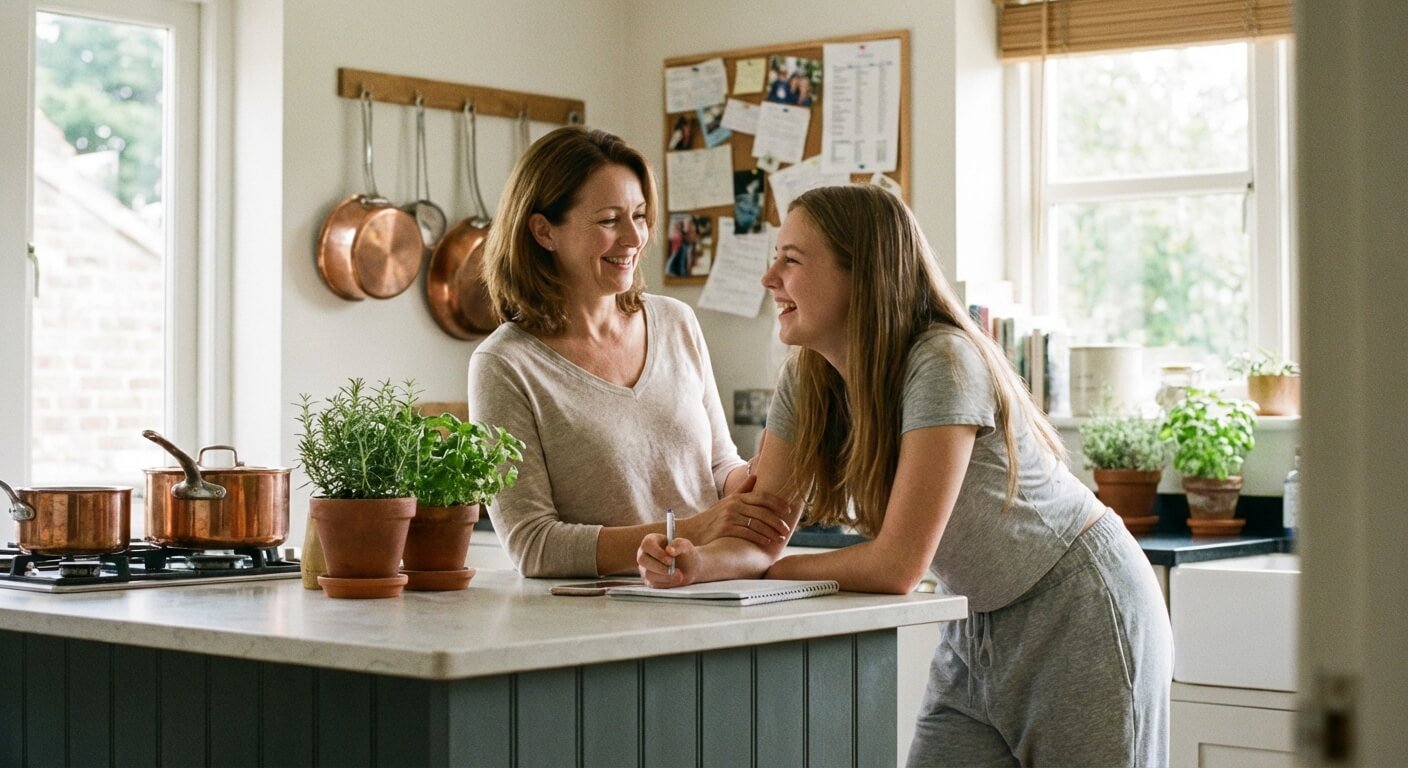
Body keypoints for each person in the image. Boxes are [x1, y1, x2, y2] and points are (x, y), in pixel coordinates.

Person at [636, 185, 1173, 766]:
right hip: (974, 622)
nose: (770, 279)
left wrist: (776, 570)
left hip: (1078, 612)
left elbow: (896, 566)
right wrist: (697, 563)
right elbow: (761, 533)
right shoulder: (807, 379)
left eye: (791, 260)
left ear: (860, 274)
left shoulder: (942, 361)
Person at [469, 126, 791, 578]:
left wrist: (764, 478)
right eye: (608, 220)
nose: (634, 237)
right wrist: (696, 530)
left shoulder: (677, 322)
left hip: (706, 596)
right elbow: (533, 544)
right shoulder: (505, 365)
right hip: (601, 625)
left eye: (639, 216)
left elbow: (719, 465)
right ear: (544, 232)